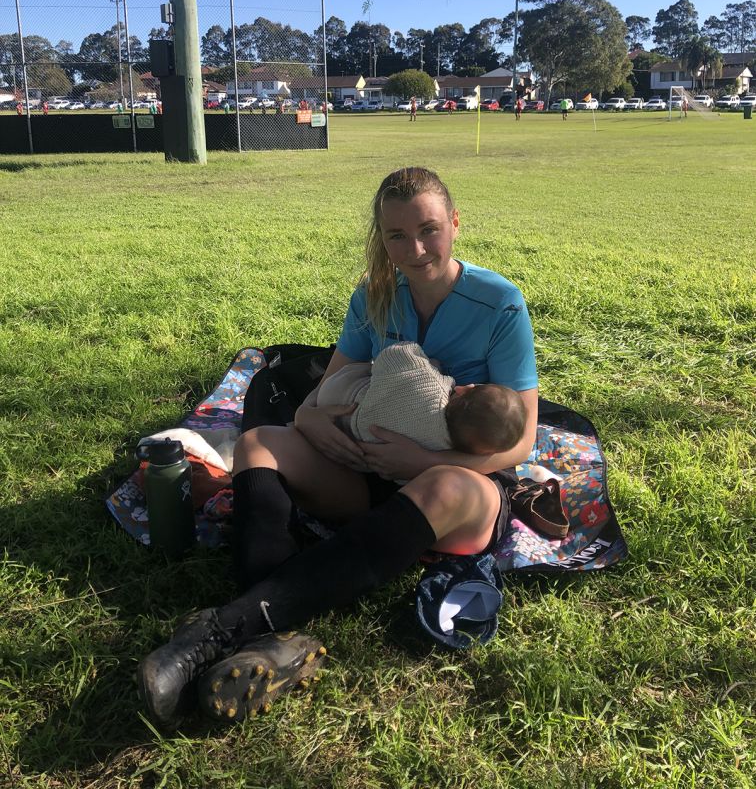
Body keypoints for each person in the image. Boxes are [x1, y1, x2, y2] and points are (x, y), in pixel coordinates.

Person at [137, 166, 539, 728]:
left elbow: (520, 440)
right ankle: (275, 645)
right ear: (381, 238)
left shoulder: (500, 303)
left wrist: (424, 461)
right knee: (259, 443)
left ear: (454, 223)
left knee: (443, 486)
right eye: (397, 235)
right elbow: (322, 394)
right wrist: (311, 420)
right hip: (364, 473)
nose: (416, 248)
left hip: (458, 489)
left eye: (428, 229)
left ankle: (217, 633)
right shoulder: (374, 297)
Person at [317, 341, 527, 462]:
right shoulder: (441, 448)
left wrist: (430, 365)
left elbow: (395, 353)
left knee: (378, 374)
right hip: (353, 450)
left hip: (338, 396)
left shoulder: (430, 385)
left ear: (463, 390)